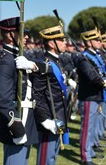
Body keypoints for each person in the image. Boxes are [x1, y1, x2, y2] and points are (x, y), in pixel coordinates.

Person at [0, 17, 38, 165]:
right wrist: (16, 128)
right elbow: (5, 100)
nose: (26, 37)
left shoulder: (20, 57)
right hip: (16, 121)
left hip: (27, 117)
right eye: (22, 33)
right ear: (11, 34)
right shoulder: (5, 61)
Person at [32, 23, 70, 165]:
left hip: (58, 116)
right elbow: (38, 95)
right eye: (61, 40)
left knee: (52, 158)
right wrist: (44, 119)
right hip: (49, 119)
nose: (65, 42)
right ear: (51, 43)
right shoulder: (45, 64)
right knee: (45, 160)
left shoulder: (57, 63)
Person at [76, 28, 106, 165]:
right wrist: (102, 80)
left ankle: (90, 152)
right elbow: (91, 76)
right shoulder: (84, 58)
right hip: (89, 96)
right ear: (89, 42)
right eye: (97, 40)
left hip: (96, 95)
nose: (99, 42)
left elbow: (99, 72)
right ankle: (85, 157)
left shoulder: (93, 57)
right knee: (87, 129)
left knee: (93, 126)